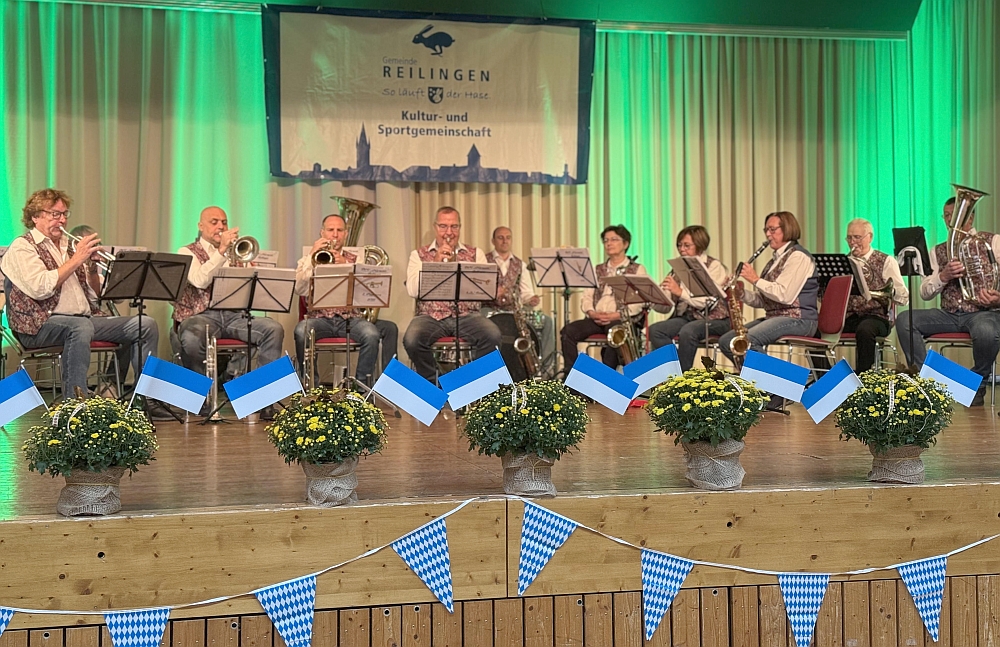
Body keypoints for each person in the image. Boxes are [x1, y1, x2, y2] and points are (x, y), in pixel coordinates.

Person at [2, 188, 159, 397]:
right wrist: (77, 259)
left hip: (83, 320)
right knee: (79, 327)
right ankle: (76, 401)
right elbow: (40, 288)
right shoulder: (23, 247)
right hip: (38, 326)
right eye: (54, 214)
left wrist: (92, 269)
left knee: (145, 325)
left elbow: (95, 297)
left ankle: (147, 398)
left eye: (64, 214)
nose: (62, 220)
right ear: (35, 216)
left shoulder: (68, 246)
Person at [171, 206, 284, 417]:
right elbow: (199, 281)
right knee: (192, 337)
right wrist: (221, 252)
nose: (221, 226)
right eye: (214, 222)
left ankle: (262, 400)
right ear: (200, 226)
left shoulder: (236, 251)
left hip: (234, 316)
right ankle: (202, 397)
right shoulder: (187, 251)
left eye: (224, 222)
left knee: (273, 329)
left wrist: (252, 270)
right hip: (201, 315)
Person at [896, 197, 1000, 406]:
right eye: (947, 216)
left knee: (986, 331)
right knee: (905, 319)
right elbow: (925, 292)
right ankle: (925, 381)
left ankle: (976, 384)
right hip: (949, 314)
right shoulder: (938, 250)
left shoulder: (993, 241)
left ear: (970, 218)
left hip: (983, 313)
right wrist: (943, 276)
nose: (950, 220)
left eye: (956, 215)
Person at [718, 211, 819, 407]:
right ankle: (765, 388)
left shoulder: (798, 256)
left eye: (773, 229)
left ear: (787, 229)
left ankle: (787, 384)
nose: (768, 234)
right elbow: (763, 300)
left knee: (750, 341)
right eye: (766, 230)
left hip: (800, 318)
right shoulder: (774, 261)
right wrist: (741, 293)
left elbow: (784, 295)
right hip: (776, 316)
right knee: (727, 341)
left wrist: (755, 279)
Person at [293, 213, 398, 385]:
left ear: (346, 234)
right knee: (300, 331)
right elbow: (299, 289)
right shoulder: (307, 260)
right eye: (330, 230)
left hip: (350, 319)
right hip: (319, 320)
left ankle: (360, 387)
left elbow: (366, 294)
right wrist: (312, 257)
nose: (335, 235)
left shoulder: (357, 259)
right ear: (322, 233)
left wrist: (347, 266)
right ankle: (312, 386)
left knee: (371, 334)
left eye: (339, 230)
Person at [403, 206, 502, 381]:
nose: (449, 232)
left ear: (460, 228)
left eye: (454, 226)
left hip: (467, 316)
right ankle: (436, 383)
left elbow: (486, 291)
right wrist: (434, 264)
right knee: (412, 339)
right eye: (443, 226)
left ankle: (468, 384)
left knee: (493, 336)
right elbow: (412, 290)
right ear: (435, 227)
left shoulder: (476, 254)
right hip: (430, 316)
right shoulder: (417, 255)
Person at [560, 224, 648, 370]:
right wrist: (591, 313)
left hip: (621, 319)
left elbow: (638, 302)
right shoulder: (598, 269)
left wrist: (615, 315)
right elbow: (587, 296)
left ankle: (607, 377)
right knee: (568, 331)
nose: (609, 243)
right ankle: (572, 375)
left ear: (625, 244)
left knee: (614, 333)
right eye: (606, 240)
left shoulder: (637, 269)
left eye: (614, 239)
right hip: (597, 318)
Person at [647, 225, 731, 372]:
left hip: (715, 319)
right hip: (687, 317)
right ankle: (674, 369)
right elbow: (665, 308)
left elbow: (708, 302)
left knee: (688, 331)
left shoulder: (713, 266)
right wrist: (656, 297)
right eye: (679, 245)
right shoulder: (678, 268)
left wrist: (679, 292)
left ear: (699, 245)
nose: (682, 249)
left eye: (687, 245)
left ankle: (682, 374)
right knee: (655, 330)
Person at [483, 226, 556, 368]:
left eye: (508, 237)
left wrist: (531, 299)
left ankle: (544, 369)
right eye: (500, 237)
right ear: (493, 241)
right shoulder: (484, 261)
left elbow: (526, 293)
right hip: (489, 309)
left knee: (547, 321)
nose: (505, 241)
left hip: (514, 310)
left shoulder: (520, 264)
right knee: (478, 323)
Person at [842, 218, 908, 372]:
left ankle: (862, 378)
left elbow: (904, 297)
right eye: (849, 238)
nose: (852, 242)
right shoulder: (844, 262)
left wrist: (890, 294)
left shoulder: (886, 261)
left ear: (870, 237)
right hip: (849, 316)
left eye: (857, 237)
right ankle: (827, 377)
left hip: (877, 317)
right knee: (816, 329)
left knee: (865, 330)